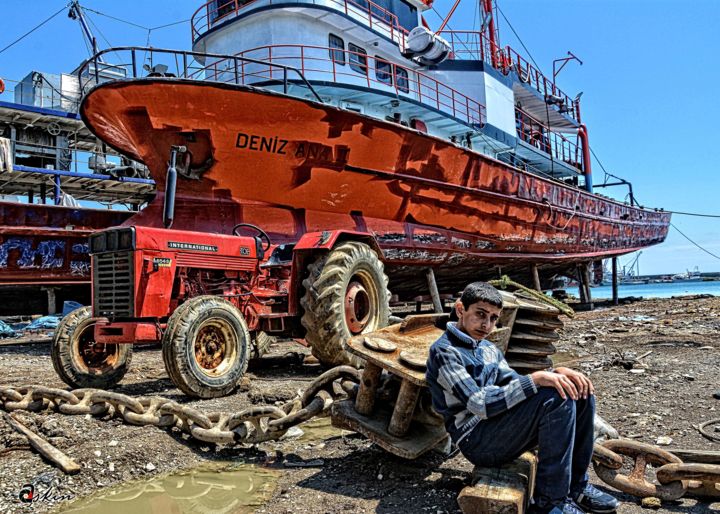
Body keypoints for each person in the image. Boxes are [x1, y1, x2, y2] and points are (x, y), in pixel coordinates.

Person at [425, 282, 619, 514]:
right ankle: (550, 504)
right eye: (480, 314)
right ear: (460, 310)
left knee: (578, 390)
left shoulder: (488, 349)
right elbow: (479, 404)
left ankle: (576, 487)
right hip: (476, 440)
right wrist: (537, 379)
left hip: (497, 427)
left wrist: (555, 374)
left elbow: (513, 383)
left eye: (494, 318)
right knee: (555, 398)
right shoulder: (445, 352)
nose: (487, 324)